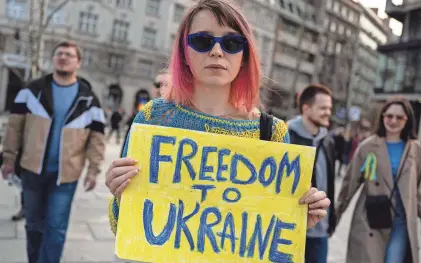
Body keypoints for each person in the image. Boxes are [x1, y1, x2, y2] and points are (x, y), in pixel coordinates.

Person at [106, 0, 331, 240]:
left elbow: (272, 237)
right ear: (184, 52)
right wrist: (121, 194)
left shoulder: (272, 132)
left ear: (244, 55)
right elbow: (123, 227)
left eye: (232, 43)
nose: (216, 51)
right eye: (202, 41)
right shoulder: (154, 117)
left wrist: (297, 218)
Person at [1, 40, 106, 263]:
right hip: (31, 170)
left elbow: (97, 138)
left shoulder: (88, 99)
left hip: (65, 176)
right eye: (59, 53)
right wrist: (8, 158)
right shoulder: (32, 90)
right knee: (33, 224)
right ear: (53, 59)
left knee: (56, 228)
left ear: (78, 62)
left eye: (69, 54)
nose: (63, 57)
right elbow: (14, 127)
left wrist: (93, 170)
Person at [336, 96, 421, 263]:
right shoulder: (368, 146)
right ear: (382, 117)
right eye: (389, 116)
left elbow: (418, 188)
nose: (393, 121)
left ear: (407, 120)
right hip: (371, 219)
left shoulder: (415, 149)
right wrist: (334, 216)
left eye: (399, 117)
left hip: (401, 223)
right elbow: (349, 184)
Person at [287, 84, 336, 263]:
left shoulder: (328, 140)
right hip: (290, 228)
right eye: (323, 108)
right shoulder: (285, 136)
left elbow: (329, 183)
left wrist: (332, 218)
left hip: (320, 230)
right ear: (306, 108)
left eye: (329, 108)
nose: (328, 112)